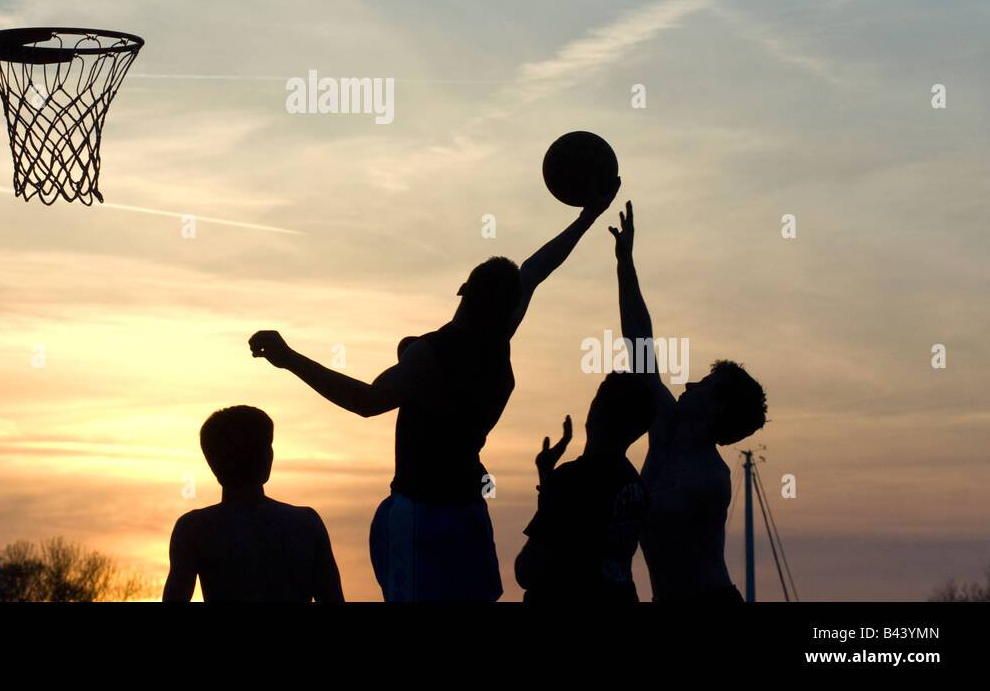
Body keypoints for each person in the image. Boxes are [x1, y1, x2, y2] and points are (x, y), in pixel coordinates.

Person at [249, 181, 619, 602]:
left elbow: (366, 403)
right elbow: (538, 268)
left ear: (464, 293)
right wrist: (589, 216)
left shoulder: (431, 356)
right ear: (507, 305)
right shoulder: (498, 338)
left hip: (421, 513)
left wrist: (290, 358)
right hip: (467, 505)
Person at [608, 201, 768, 602]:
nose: (691, 382)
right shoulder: (665, 427)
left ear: (717, 409)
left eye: (706, 384)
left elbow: (640, 516)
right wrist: (625, 263)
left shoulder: (709, 479)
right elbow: (640, 341)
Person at [162, 405, 343, 602]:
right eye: (267, 447)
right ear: (267, 457)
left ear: (212, 464)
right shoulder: (305, 523)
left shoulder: (194, 528)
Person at [514, 372, 654, 602]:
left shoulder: (573, 479)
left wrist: (553, 481)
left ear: (597, 410)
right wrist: (548, 475)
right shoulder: (636, 486)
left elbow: (528, 572)